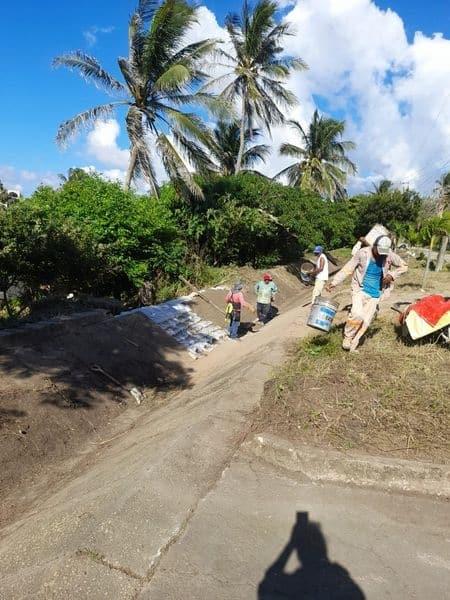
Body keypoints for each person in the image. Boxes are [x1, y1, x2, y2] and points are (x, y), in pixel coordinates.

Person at [326, 235, 407, 352]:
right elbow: (348, 268)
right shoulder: (362, 253)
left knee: (366, 320)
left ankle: (354, 343)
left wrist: (391, 275)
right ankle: (348, 337)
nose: (381, 255)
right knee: (357, 314)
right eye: (379, 251)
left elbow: (404, 266)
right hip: (360, 289)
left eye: (383, 253)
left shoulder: (388, 254)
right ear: (374, 245)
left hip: (376, 293)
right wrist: (334, 282)